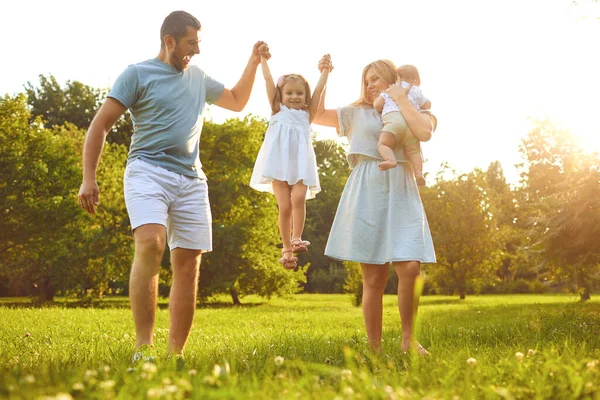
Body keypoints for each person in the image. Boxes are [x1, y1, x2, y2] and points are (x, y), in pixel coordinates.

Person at [77, 10, 271, 362]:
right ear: (170, 40)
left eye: (198, 43)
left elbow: (238, 102)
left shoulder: (197, 77)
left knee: (188, 263)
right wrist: (89, 178)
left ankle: (175, 354)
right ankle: (143, 349)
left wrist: (254, 62)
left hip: (192, 180)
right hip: (146, 170)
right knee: (151, 243)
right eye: (191, 43)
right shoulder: (137, 74)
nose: (195, 50)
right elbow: (100, 125)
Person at [313, 58, 436, 355]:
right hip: (367, 189)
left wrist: (400, 98)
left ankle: (409, 340)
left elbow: (425, 132)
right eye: (366, 81)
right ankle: (375, 348)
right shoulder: (355, 113)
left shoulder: (417, 108)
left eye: (375, 80)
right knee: (374, 276)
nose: (369, 85)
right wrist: (325, 74)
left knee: (410, 267)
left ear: (391, 80)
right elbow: (313, 113)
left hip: (403, 188)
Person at [249, 53, 332, 269]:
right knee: (284, 206)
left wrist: (325, 71)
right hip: (278, 164)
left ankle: (297, 238)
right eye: (289, 93)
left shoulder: (307, 115)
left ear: (305, 96)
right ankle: (286, 248)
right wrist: (263, 60)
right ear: (281, 94)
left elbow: (319, 90)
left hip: (301, 164)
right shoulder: (277, 110)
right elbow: (268, 81)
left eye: (299, 93)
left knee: (299, 199)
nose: (294, 96)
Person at [374, 64, 431, 186]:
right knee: (414, 151)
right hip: (410, 124)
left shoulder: (391, 89)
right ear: (416, 80)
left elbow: (377, 105)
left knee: (383, 143)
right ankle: (419, 173)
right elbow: (427, 105)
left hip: (394, 119)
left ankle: (390, 159)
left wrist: (381, 107)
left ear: (397, 78)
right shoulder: (416, 91)